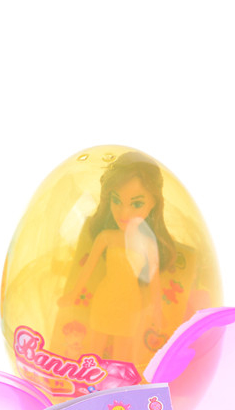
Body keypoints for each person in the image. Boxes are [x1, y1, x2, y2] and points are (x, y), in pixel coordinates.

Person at [69, 153, 177, 366]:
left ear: (153, 203)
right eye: (116, 201)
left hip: (130, 306)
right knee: (93, 352)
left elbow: (154, 282)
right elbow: (88, 269)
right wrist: (72, 295)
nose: (123, 212)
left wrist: (157, 314)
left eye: (136, 204)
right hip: (104, 300)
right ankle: (88, 382)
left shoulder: (148, 243)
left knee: (122, 358)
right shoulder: (106, 237)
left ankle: (116, 388)